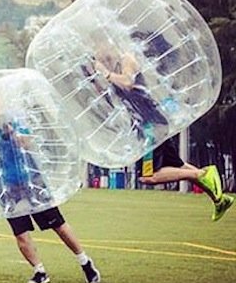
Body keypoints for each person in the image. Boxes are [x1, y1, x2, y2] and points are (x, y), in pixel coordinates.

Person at [94, 47, 234, 221]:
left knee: (148, 177)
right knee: (179, 166)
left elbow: (128, 83)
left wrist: (106, 74)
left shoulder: (126, 59)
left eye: (98, 51)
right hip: (147, 125)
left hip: (151, 125)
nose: (97, 56)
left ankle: (201, 174)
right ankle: (220, 199)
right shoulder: (111, 70)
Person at [0, 88, 100, 283]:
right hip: (7, 188)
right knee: (20, 232)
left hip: (31, 182)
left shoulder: (15, 120)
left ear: (2, 99)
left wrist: (12, 131)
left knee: (58, 224)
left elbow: (27, 143)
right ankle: (39, 271)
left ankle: (85, 262)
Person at [8, 209, 101, 283]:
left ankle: (85, 262)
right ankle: (39, 271)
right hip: (10, 195)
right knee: (20, 234)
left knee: (59, 226)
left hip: (34, 192)